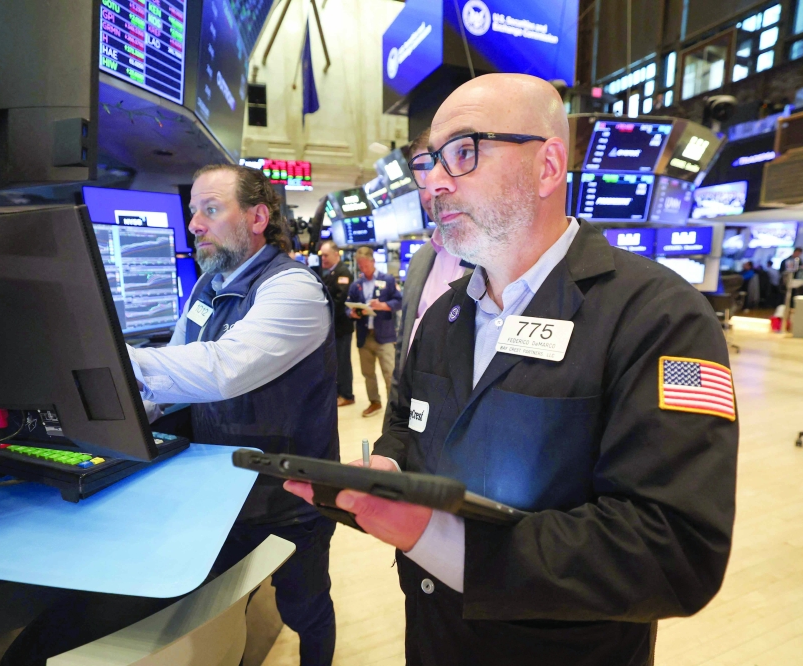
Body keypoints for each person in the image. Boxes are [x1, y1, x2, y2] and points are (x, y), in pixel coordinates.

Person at [286, 73, 738, 665]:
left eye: (465, 152)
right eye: (430, 161)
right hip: (432, 637)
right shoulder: (446, 313)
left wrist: (436, 535)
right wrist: (388, 467)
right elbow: (408, 421)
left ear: (548, 165)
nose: (435, 183)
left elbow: (676, 551)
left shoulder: (659, 315)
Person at [128, 164, 339, 666]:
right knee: (219, 609)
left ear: (259, 216)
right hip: (222, 492)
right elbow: (179, 370)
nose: (195, 224)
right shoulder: (205, 287)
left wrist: (107, 358)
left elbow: (223, 369)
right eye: (193, 211)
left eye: (211, 209)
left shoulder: (293, 289)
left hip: (292, 498)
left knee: (303, 608)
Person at [385, 128, 472, 428]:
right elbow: (403, 348)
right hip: (411, 415)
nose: (431, 189)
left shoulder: (492, 259)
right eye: (422, 173)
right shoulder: (422, 259)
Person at [347, 246, 402, 417]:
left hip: (384, 335)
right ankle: (374, 402)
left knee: (389, 373)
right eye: (360, 266)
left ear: (373, 261)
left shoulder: (387, 280)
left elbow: (399, 301)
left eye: (365, 265)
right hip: (365, 335)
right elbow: (348, 307)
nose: (363, 269)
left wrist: (383, 306)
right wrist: (353, 312)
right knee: (368, 373)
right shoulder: (356, 285)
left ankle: (394, 408)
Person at [319, 239, 356, 406]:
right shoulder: (331, 274)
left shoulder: (343, 273)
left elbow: (338, 301)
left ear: (336, 254)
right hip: (334, 327)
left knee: (343, 362)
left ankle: (347, 394)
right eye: (322, 256)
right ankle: (339, 392)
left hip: (341, 326)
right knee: (336, 362)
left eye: (326, 255)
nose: (323, 259)